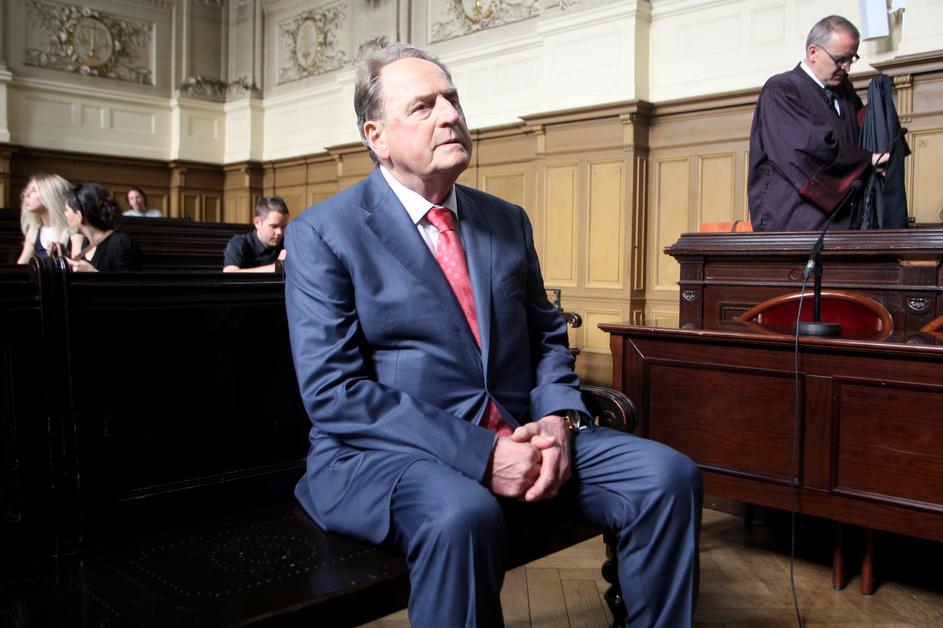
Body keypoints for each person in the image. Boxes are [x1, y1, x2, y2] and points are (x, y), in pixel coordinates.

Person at [285, 43, 702, 627]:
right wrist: (483, 456)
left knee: (668, 477)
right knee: (463, 514)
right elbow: (334, 392)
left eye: (452, 100)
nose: (450, 115)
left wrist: (558, 417)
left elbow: (546, 336)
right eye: (424, 106)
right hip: (385, 457)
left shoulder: (506, 219)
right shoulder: (324, 233)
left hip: (521, 432)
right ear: (376, 136)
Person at [748, 15, 890, 232]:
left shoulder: (846, 95)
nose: (847, 67)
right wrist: (867, 160)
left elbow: (862, 140)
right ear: (813, 52)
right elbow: (807, 149)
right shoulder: (782, 90)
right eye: (840, 59)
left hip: (843, 223)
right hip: (794, 225)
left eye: (851, 59)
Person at [64, 183, 143, 272]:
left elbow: (132, 281)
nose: (65, 214)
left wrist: (93, 272)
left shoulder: (120, 244)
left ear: (79, 216)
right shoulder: (84, 241)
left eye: (67, 210)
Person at [17, 173, 83, 264]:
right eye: (27, 190)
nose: (26, 194)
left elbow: (77, 267)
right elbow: (21, 264)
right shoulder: (34, 230)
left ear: (51, 196)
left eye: (34, 191)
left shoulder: (74, 230)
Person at [222, 197, 289, 272]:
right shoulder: (239, 242)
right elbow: (230, 272)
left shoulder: (287, 243)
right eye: (274, 226)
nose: (279, 232)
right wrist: (276, 267)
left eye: (283, 227)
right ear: (257, 223)